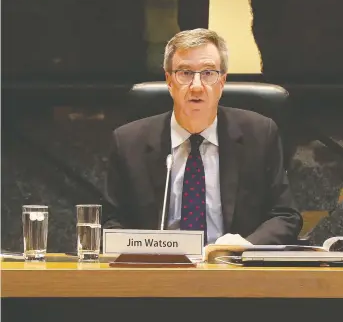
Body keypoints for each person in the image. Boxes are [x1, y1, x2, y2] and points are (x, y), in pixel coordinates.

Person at [103, 28, 302, 245]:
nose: (197, 86)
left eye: (208, 73)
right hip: (159, 271)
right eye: (185, 73)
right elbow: (111, 222)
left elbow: (285, 216)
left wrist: (247, 247)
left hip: (233, 269)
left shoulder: (260, 135)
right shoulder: (129, 142)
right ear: (169, 81)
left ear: (222, 82)